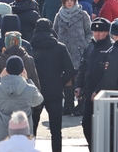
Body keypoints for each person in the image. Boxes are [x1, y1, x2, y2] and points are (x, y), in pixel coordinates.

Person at [29, 19, 75, 152]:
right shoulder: (60, 47)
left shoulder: (30, 46)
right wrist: (59, 83)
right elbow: (70, 70)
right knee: (56, 130)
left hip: (34, 91)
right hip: (54, 92)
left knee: (32, 129)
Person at [0, 55, 44, 146]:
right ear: (22, 70)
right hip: (24, 133)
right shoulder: (29, 89)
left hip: (2, 135)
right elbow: (39, 100)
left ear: (6, 70)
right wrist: (28, 81)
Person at [51, 0, 91, 116]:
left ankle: (80, 105)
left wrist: (85, 44)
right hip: (63, 51)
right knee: (66, 78)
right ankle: (68, 104)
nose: (69, 3)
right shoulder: (59, 15)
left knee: (78, 77)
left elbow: (89, 31)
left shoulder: (82, 15)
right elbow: (54, 31)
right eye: (67, 0)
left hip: (79, 50)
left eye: (71, 0)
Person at [75, 17, 112, 150]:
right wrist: (78, 86)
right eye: (95, 32)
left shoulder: (110, 48)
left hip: (102, 95)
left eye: (101, 31)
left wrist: (98, 90)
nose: (97, 34)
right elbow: (83, 67)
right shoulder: (90, 46)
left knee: (103, 127)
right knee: (86, 124)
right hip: (88, 93)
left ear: (107, 32)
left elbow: (108, 75)